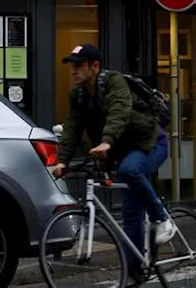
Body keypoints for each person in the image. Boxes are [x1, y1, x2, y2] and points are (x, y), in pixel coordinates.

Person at [49, 44, 174, 284]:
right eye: (72, 65)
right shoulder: (78, 95)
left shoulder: (114, 82)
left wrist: (107, 141)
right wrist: (62, 160)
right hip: (124, 150)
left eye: (79, 65)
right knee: (130, 214)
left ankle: (162, 218)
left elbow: (120, 110)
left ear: (95, 66)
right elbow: (73, 128)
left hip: (150, 142)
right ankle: (134, 273)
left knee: (130, 170)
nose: (74, 70)